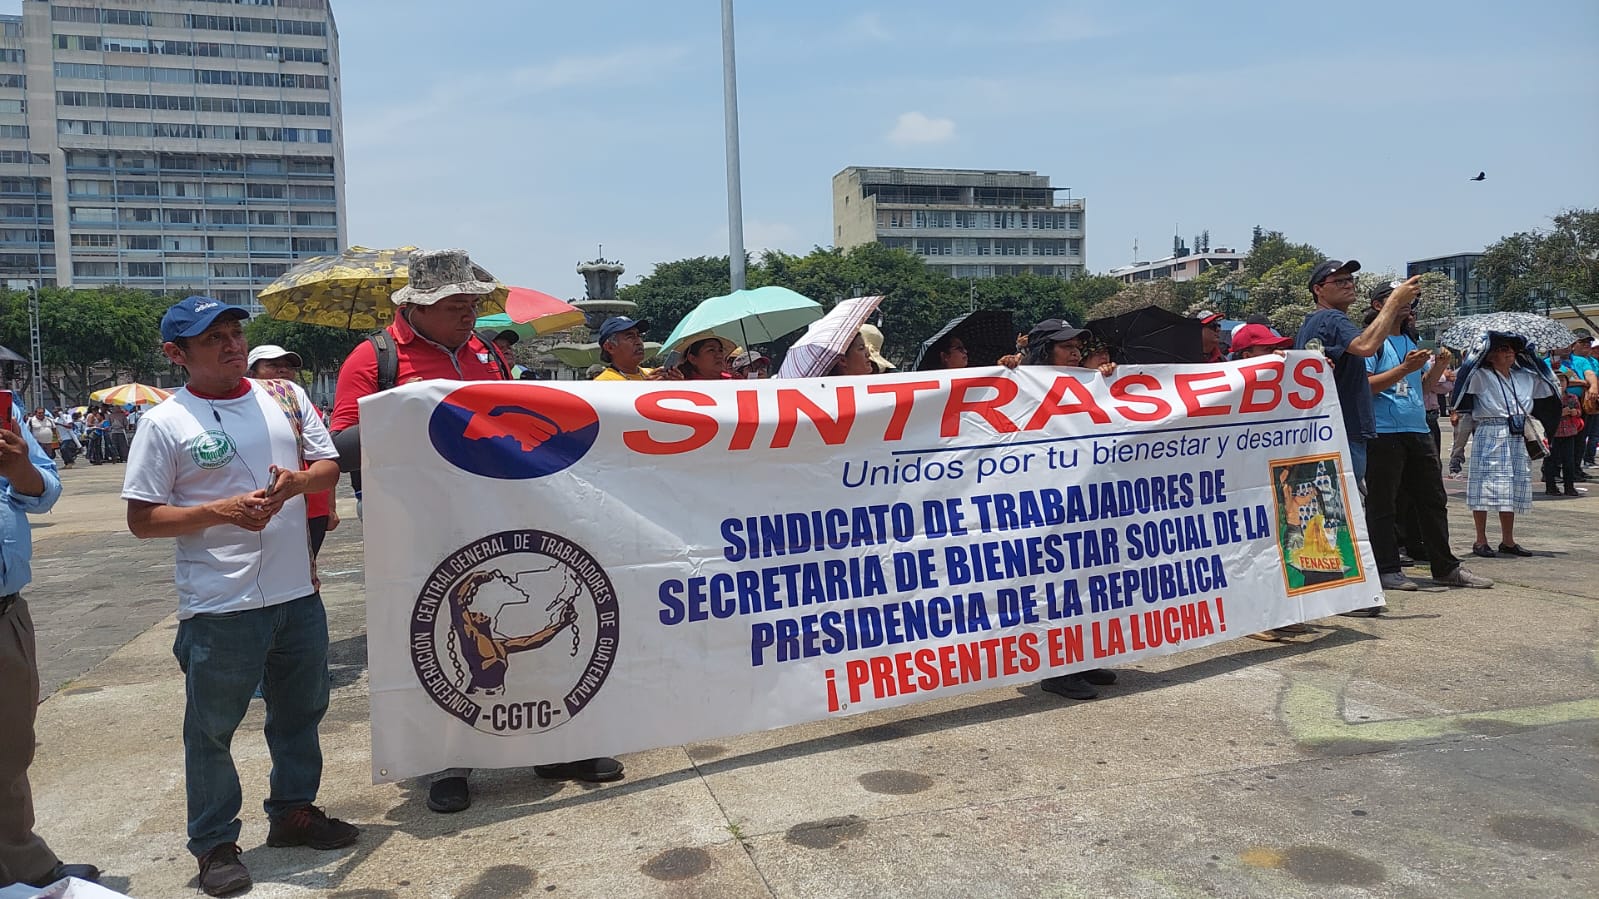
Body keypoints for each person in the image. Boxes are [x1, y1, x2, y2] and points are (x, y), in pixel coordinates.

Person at [330, 249, 624, 815]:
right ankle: (446, 761)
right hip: (416, 519)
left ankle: (554, 746)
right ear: (416, 307)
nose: (470, 314)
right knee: (441, 632)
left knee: (531, 619)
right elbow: (339, 447)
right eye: (456, 304)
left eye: (472, 303)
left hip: (495, 509)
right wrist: (415, 413)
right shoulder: (374, 359)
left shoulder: (487, 352)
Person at [123, 296, 358, 897]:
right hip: (219, 605)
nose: (231, 345)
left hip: (296, 592)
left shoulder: (283, 396)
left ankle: (293, 812)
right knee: (211, 729)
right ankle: (215, 843)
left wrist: (296, 483)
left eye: (233, 333)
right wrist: (218, 512)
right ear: (177, 355)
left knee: (302, 712)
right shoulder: (166, 422)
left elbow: (328, 467)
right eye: (213, 339)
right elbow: (143, 520)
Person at [0, 394, 100, 890]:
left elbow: (44, 491)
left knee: (11, 745)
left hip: (5, 611)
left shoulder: (4, 413)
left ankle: (23, 866)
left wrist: (20, 468)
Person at [1360, 282, 1490, 592]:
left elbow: (1422, 385)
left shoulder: (1408, 340)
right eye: (1401, 300)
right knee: (1384, 503)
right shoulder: (1370, 344)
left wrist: (1439, 367)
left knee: (1433, 500)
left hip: (1417, 429)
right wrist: (1405, 368)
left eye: (1411, 302)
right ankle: (1387, 568)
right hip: (1384, 433)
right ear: (1380, 306)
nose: (1409, 307)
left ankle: (1444, 566)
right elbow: (1365, 387)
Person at [1294, 262, 1416, 487]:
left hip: (1324, 430)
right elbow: (1366, 345)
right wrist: (1395, 301)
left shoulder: (1311, 323)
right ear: (1318, 290)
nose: (1348, 285)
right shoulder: (1332, 318)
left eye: (1350, 280)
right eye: (1339, 281)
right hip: (1343, 430)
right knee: (1344, 507)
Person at [1460, 335, 1556, 557]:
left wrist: (1533, 356)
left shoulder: (1524, 377)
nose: (1510, 352)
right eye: (1503, 348)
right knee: (1484, 483)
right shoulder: (1481, 375)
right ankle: (1480, 539)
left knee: (1513, 484)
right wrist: (1476, 353)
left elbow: (1550, 385)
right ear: (1491, 355)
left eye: (1513, 348)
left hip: (1516, 431)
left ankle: (1508, 540)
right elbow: (1463, 379)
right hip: (1491, 429)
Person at [248, 345, 338, 562]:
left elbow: (326, 459)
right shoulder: (246, 410)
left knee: (306, 568)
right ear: (252, 373)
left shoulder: (306, 408)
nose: (283, 371)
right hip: (266, 508)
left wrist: (331, 508)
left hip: (313, 508)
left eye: (288, 366)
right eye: (273, 365)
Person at [594, 316, 674, 381]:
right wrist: (647, 390)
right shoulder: (604, 383)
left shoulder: (652, 374)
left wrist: (677, 384)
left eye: (638, 335)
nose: (639, 341)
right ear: (610, 347)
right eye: (630, 337)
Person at [1547, 369, 1585, 496]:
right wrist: (1559, 414)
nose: (1560, 383)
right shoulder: (1549, 398)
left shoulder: (1572, 397)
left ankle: (1569, 486)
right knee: (1551, 461)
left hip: (1569, 433)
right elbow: (1545, 415)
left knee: (1569, 461)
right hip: (1553, 434)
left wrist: (1575, 412)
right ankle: (1550, 486)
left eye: (1562, 380)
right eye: (1557, 381)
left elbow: (1579, 411)